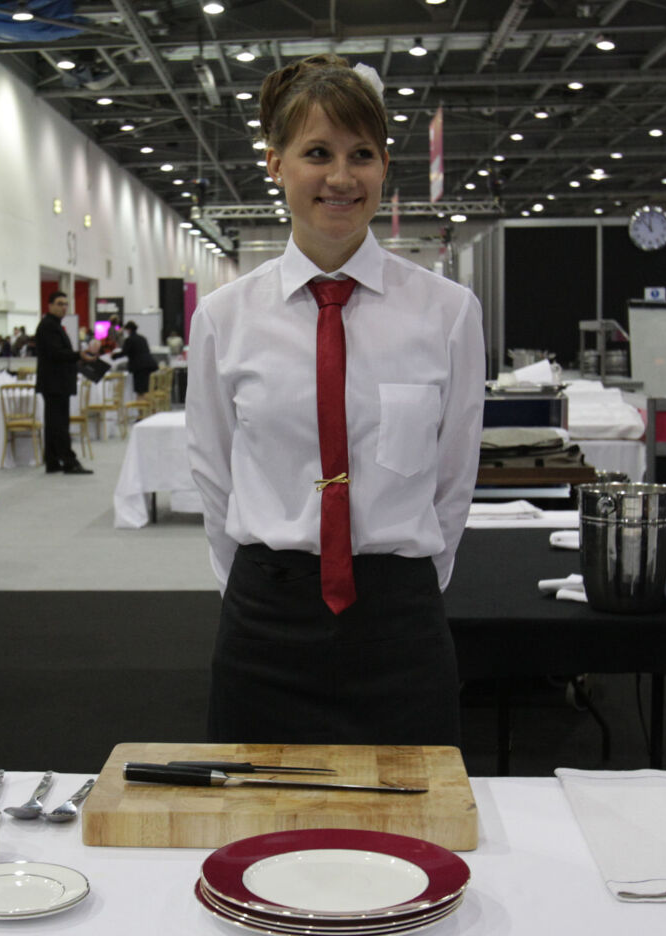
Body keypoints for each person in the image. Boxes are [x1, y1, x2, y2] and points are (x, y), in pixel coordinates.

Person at [186, 54, 485, 747]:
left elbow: (454, 477)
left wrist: (407, 588)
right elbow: (213, 470)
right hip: (265, 625)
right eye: (317, 153)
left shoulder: (447, 312)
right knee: (257, 809)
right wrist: (258, 589)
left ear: (385, 166)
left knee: (411, 810)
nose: (342, 177)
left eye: (362, 155)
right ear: (276, 164)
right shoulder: (225, 317)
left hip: (401, 625)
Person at [35, 291, 92, 474]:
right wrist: (78, 355)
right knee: (59, 424)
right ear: (50, 305)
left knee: (54, 423)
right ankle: (69, 461)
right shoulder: (48, 326)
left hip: (56, 382)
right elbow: (56, 353)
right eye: (59, 304)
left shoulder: (54, 325)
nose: (63, 308)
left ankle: (52, 461)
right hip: (54, 383)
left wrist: (77, 357)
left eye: (66, 304)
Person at [114, 320, 155, 398]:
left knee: (140, 390)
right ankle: (145, 403)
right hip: (148, 365)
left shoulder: (129, 339)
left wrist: (113, 356)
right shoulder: (142, 338)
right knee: (146, 389)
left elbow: (124, 352)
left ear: (129, 330)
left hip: (139, 367)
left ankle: (140, 404)